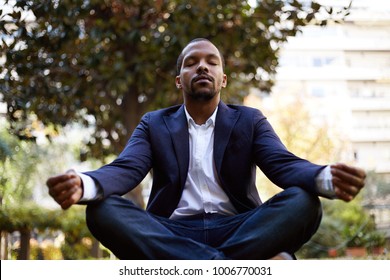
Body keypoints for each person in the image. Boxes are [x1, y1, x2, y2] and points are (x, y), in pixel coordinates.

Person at [46, 38, 366, 260]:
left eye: (211, 62)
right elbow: (126, 168)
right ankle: (223, 266)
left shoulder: (249, 120)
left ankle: (196, 266)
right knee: (102, 209)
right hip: (171, 232)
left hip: (239, 228)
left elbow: (283, 165)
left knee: (303, 200)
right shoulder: (154, 124)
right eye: (192, 63)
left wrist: (326, 178)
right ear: (178, 79)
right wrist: (83, 184)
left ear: (223, 79)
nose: (202, 67)